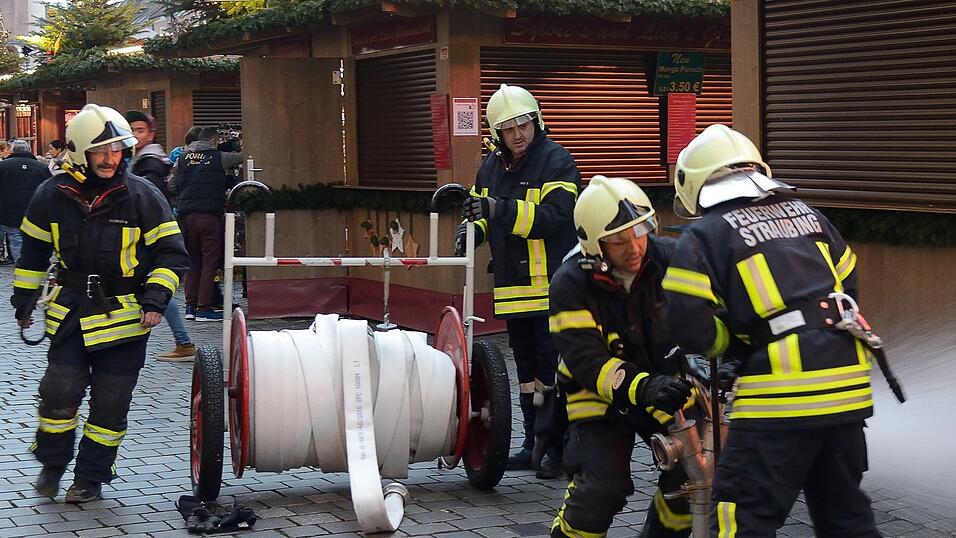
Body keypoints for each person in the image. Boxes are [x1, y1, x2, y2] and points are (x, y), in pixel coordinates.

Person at [662, 124, 880, 536]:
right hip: (849, 390)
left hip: (781, 396)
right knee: (846, 517)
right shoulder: (809, 214)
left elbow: (684, 320)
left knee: (740, 517)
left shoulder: (707, 233)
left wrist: (731, 342)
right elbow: (849, 288)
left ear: (696, 186)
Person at [11, 104, 188, 503]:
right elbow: (33, 255)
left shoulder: (143, 195)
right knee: (59, 392)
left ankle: (90, 477)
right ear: (78, 152)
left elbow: (172, 254)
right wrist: (23, 300)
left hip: (125, 317)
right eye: (100, 151)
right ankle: (53, 465)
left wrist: (157, 299)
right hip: (71, 312)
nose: (110, 159)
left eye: (117, 150)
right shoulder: (51, 195)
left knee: (110, 404)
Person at [547, 176, 694, 538]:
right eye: (618, 240)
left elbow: (706, 317)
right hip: (595, 394)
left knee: (694, 471)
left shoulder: (669, 260)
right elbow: (588, 362)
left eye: (640, 231)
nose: (634, 248)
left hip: (663, 384)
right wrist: (644, 387)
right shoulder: (570, 284)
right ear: (595, 245)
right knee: (603, 487)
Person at [456, 83, 581, 479]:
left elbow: (558, 217)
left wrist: (500, 210)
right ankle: (532, 444)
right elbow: (481, 212)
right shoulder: (490, 167)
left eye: (524, 124)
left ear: (536, 121)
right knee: (526, 375)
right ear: (497, 134)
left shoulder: (555, 160)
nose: (518, 134)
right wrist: (470, 232)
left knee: (553, 372)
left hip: (552, 289)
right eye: (509, 129)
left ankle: (557, 452)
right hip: (513, 290)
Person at [124, 111, 195, 361]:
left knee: (154, 286)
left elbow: (145, 200)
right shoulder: (141, 159)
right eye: (131, 129)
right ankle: (183, 342)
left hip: (150, 235)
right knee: (154, 286)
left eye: (140, 130)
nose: (134, 134)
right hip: (149, 233)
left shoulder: (149, 162)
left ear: (151, 133)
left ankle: (184, 342)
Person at [170, 126, 243, 322]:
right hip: (209, 217)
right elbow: (244, 156)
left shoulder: (182, 158)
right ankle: (204, 309)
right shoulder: (220, 158)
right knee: (209, 262)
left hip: (186, 218)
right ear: (213, 141)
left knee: (193, 262)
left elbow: (171, 185)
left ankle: (190, 307)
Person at [0, 139, 51, 263]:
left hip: (6, 211)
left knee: (14, 236)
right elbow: (49, 189)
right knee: (26, 239)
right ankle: (27, 263)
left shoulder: (3, 166)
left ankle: (21, 263)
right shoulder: (41, 167)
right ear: (29, 150)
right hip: (33, 212)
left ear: (12, 150)